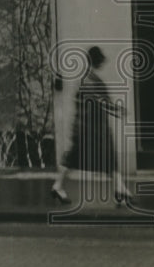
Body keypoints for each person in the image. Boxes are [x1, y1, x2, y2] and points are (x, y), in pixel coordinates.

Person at [51, 46, 131, 205]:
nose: (102, 63)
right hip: (91, 130)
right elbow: (101, 103)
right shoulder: (91, 81)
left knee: (88, 159)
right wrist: (119, 111)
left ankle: (120, 190)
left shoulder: (84, 79)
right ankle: (119, 191)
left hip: (86, 128)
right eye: (100, 60)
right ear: (96, 61)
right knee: (104, 158)